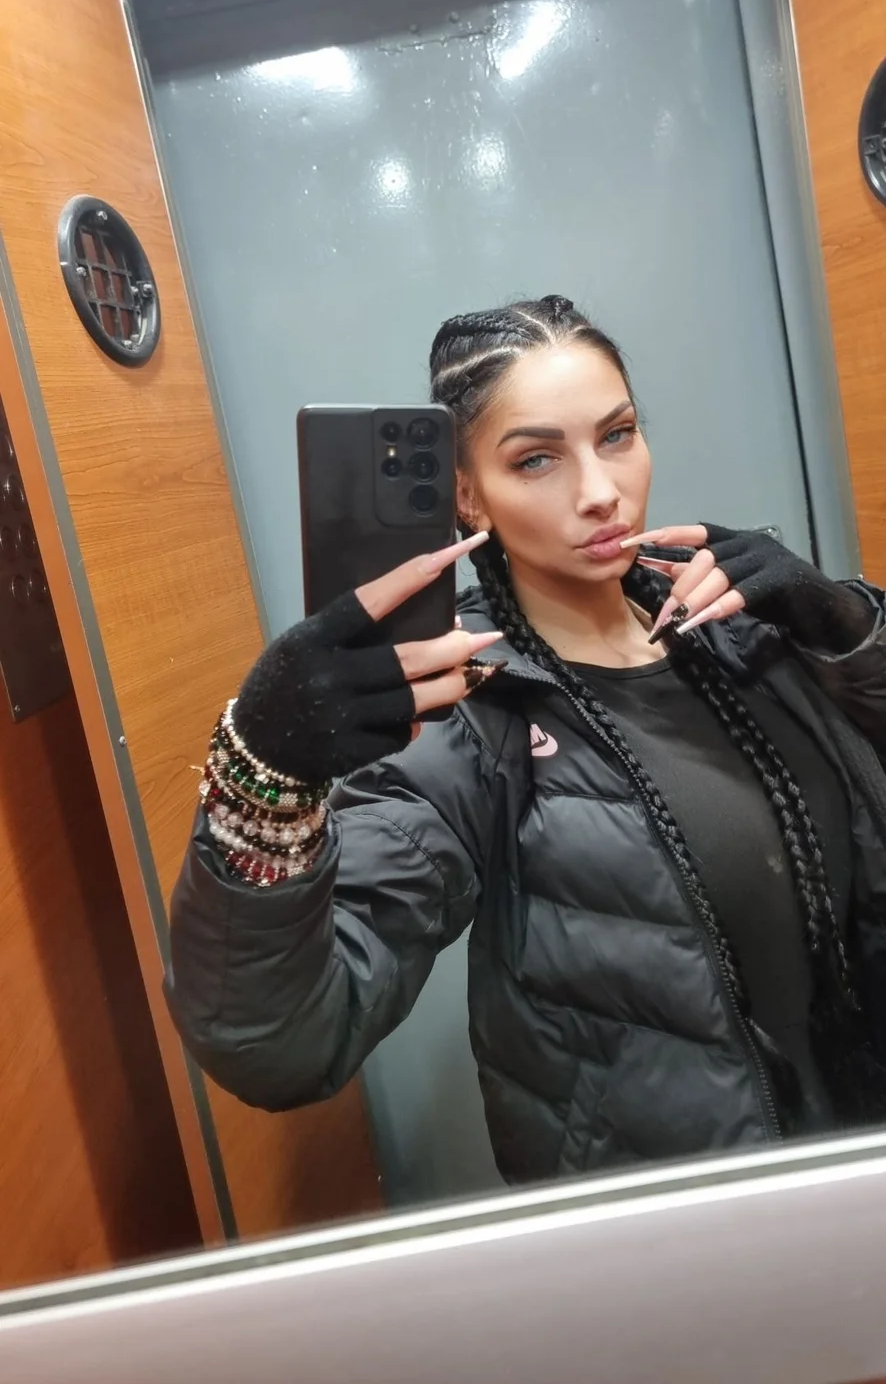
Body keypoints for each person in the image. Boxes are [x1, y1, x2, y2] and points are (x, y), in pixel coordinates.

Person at [167, 294, 886, 1186]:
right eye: (537, 458)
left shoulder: (735, 624)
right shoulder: (466, 712)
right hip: (686, 1229)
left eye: (617, 434)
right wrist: (262, 774)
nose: (600, 490)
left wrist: (849, 625)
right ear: (467, 493)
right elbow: (281, 1043)